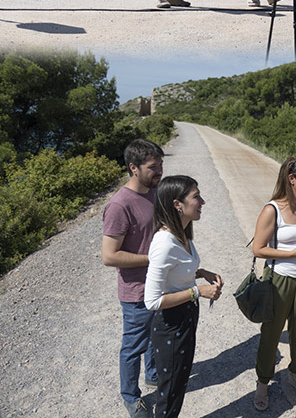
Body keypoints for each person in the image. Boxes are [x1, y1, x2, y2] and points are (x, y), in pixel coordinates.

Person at [144, 175, 223, 418]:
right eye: (196, 196)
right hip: (171, 324)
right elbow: (152, 301)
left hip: (186, 317)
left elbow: (177, 269)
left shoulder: (183, 233)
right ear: (177, 204)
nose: (203, 201)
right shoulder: (164, 243)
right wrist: (197, 291)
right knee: (170, 391)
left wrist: (200, 272)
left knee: (178, 383)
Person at [252, 155, 296, 411]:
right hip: (279, 280)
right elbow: (258, 249)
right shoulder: (272, 210)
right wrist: (291, 254)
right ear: (292, 179)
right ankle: (262, 382)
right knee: (271, 333)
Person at [102, 139, 165, 418]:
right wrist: (153, 259)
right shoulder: (119, 205)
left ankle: (152, 374)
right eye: (153, 167)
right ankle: (130, 396)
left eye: (161, 164)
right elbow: (110, 256)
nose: (160, 171)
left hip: (160, 283)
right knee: (133, 346)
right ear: (133, 168)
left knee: (156, 335)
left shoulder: (155, 191)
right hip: (136, 290)